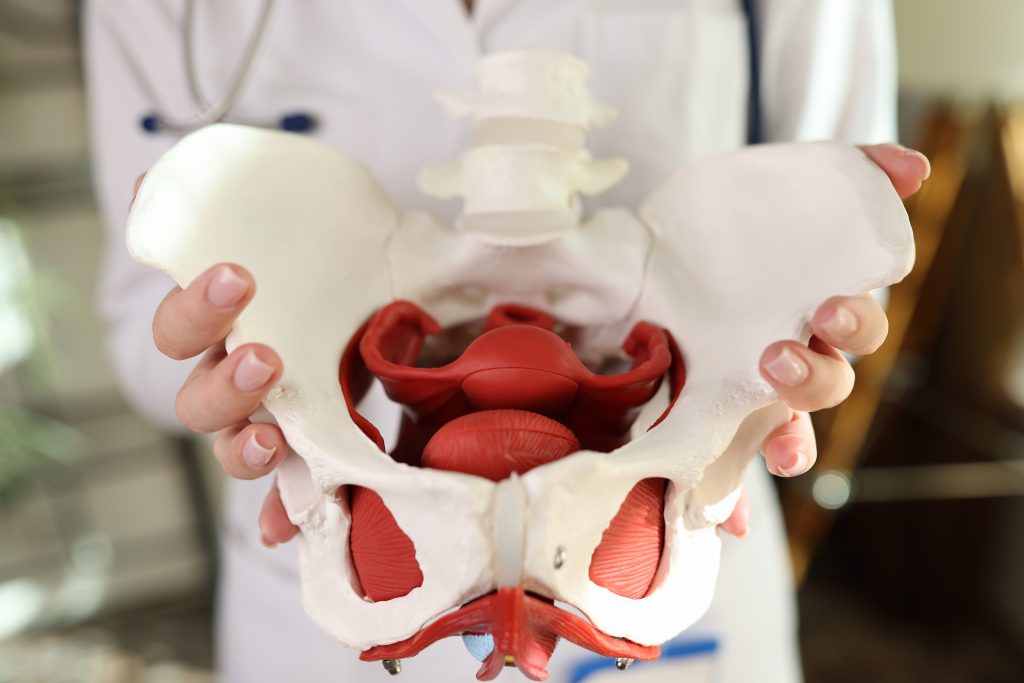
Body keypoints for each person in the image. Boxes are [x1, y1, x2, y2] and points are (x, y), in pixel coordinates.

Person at [85, 1, 929, 681]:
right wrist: (244, 386)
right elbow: (139, 319)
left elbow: (826, 260)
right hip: (349, 561)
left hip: (648, 542)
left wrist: (766, 371)